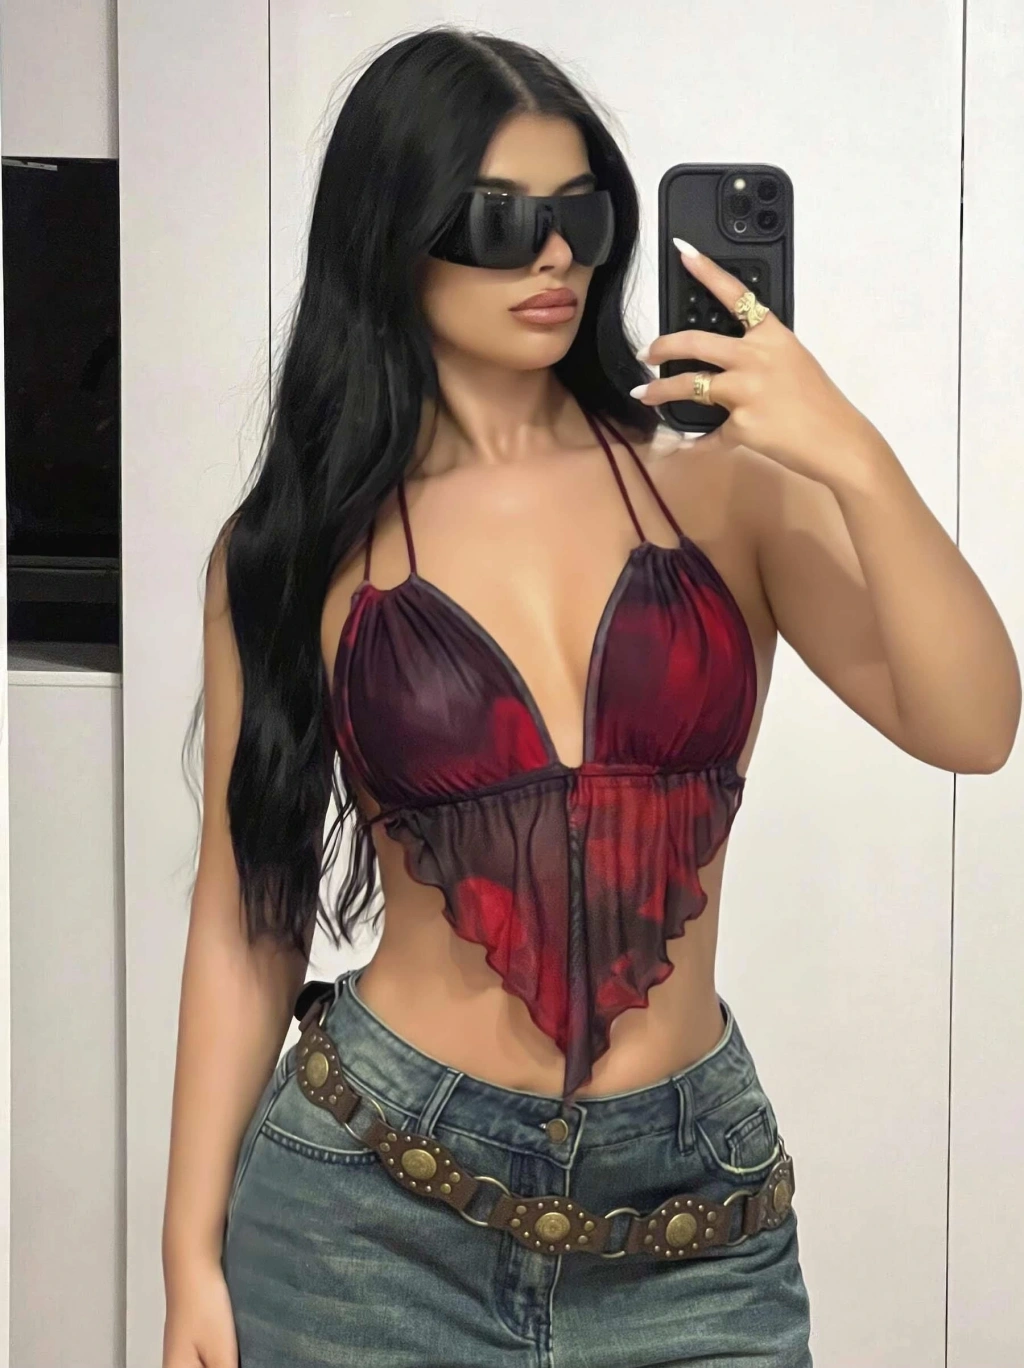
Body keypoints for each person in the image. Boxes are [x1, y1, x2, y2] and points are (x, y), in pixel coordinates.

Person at [160, 25, 1020, 1368]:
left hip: (689, 1222)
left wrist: (851, 453)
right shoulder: (293, 546)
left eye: (583, 214)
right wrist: (186, 1259)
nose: (556, 255)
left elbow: (975, 725)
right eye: (501, 220)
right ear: (392, 232)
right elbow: (247, 911)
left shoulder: (722, 485)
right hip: (365, 1213)